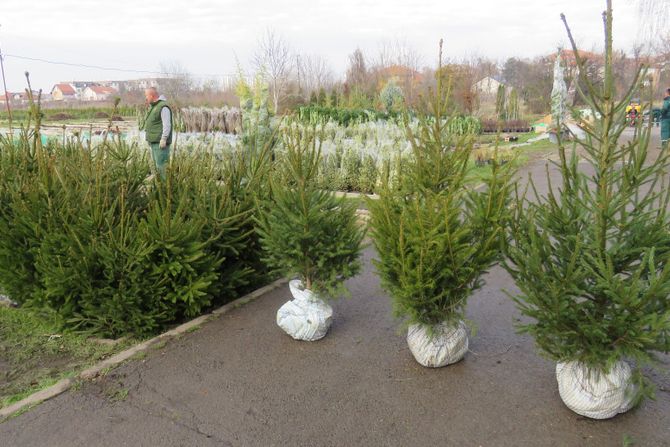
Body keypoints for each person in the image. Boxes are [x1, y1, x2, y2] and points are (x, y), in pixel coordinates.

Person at [141, 87, 173, 179]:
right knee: (157, 168)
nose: (146, 98)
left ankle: (165, 189)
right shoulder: (154, 106)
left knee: (162, 167)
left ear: (152, 95)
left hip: (160, 143)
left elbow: (167, 124)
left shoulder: (163, 107)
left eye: (146, 96)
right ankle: (158, 189)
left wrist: (164, 138)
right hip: (154, 142)